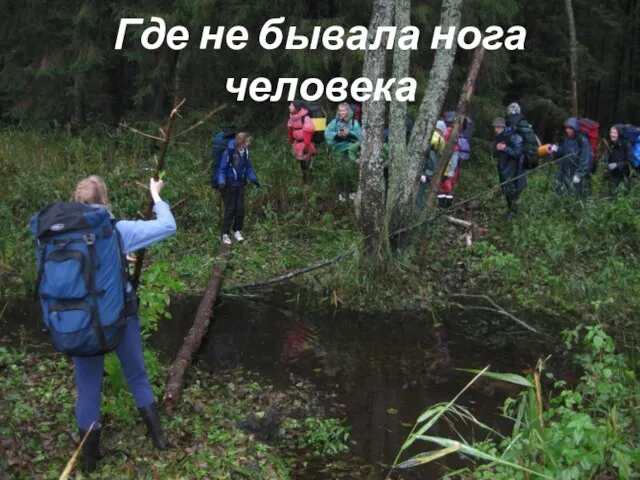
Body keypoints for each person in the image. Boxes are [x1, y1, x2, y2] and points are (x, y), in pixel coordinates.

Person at [70, 175, 177, 472]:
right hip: (119, 320)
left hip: (80, 323)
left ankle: (90, 463)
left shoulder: (61, 234)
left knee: (89, 389)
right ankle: (159, 441)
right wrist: (155, 196)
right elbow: (168, 225)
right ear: (105, 201)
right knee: (137, 376)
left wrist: (116, 260)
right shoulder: (119, 231)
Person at [217, 132, 261, 245]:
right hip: (230, 184)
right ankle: (225, 233)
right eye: (247, 141)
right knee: (230, 209)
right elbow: (222, 169)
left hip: (241, 184)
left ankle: (237, 230)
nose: (249, 143)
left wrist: (254, 179)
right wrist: (221, 182)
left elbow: (248, 168)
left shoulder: (245, 152)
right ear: (241, 142)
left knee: (240, 209)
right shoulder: (229, 153)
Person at [325, 103, 362, 200]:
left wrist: (349, 133)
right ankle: (341, 192)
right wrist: (337, 134)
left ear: (348, 111)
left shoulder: (354, 122)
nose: (342, 112)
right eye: (340, 110)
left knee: (349, 170)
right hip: (338, 149)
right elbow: (327, 133)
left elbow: (360, 134)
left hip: (350, 149)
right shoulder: (334, 122)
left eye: (344, 110)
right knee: (339, 171)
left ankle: (352, 191)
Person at [549, 117, 592, 197]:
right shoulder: (567, 139)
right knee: (556, 188)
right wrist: (556, 149)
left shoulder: (583, 141)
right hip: (564, 170)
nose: (567, 130)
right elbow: (563, 152)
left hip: (575, 171)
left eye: (570, 128)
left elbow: (586, 159)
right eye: (566, 128)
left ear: (575, 128)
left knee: (575, 194)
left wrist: (579, 174)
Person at [492, 117, 525, 220]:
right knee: (505, 189)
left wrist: (505, 148)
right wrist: (497, 149)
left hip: (513, 168)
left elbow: (517, 153)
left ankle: (513, 211)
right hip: (503, 168)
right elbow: (495, 153)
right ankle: (510, 209)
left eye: (496, 127)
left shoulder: (514, 136)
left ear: (501, 127)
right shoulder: (499, 137)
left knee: (511, 189)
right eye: (494, 127)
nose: (495, 130)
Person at [416, 120, 447, 210]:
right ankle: (419, 209)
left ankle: (416, 208)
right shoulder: (440, 140)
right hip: (429, 170)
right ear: (442, 130)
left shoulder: (426, 134)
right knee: (423, 190)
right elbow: (442, 155)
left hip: (420, 167)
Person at [287, 101, 317, 183]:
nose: (289, 107)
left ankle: (309, 181)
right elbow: (291, 130)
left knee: (306, 163)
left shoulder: (305, 118)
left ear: (297, 107)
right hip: (298, 144)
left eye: (291, 105)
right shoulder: (292, 118)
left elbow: (308, 132)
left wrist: (306, 146)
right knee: (301, 164)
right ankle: (305, 181)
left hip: (306, 144)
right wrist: (291, 140)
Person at [603, 125, 632, 196]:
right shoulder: (610, 143)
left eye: (615, 133)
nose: (612, 135)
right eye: (611, 132)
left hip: (624, 175)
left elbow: (630, 161)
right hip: (613, 174)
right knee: (612, 195)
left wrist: (617, 165)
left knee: (623, 196)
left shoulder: (626, 144)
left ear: (619, 133)